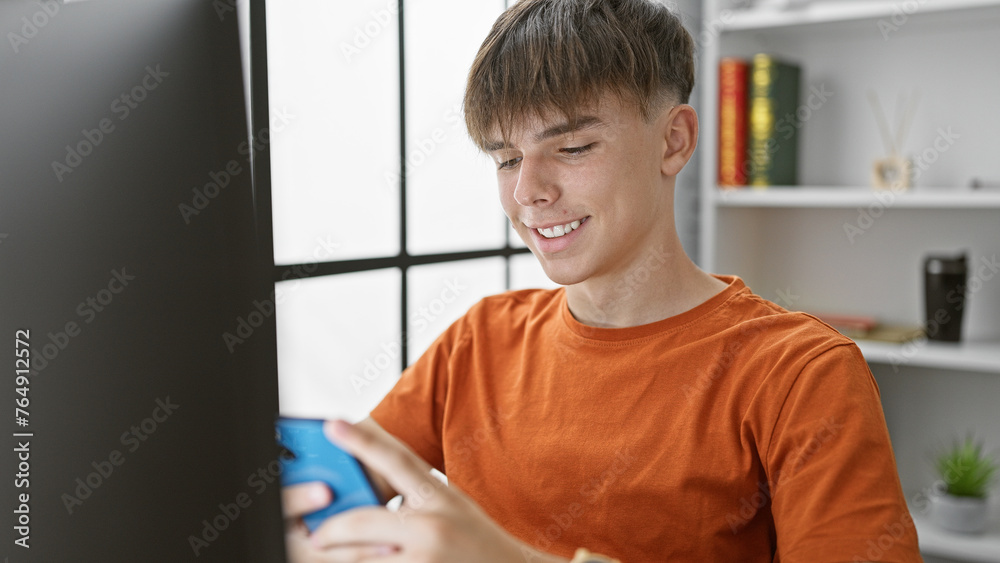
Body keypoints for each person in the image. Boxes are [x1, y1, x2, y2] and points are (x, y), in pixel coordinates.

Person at [283, 0, 923, 561]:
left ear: (674, 141)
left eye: (572, 148)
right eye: (506, 158)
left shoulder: (801, 374)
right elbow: (337, 492)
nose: (528, 192)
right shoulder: (480, 339)